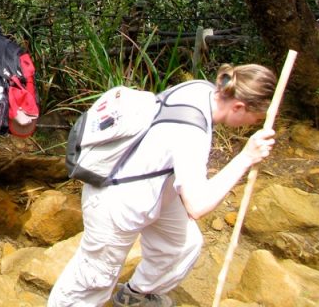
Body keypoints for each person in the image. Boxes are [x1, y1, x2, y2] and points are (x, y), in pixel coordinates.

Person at [48, 64, 277, 307]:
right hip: (115, 201)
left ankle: (135, 296)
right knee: (94, 280)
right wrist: (245, 158)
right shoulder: (191, 131)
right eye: (257, 118)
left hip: (152, 187)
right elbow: (197, 206)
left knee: (182, 246)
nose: (254, 124)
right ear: (238, 106)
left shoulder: (202, 89)